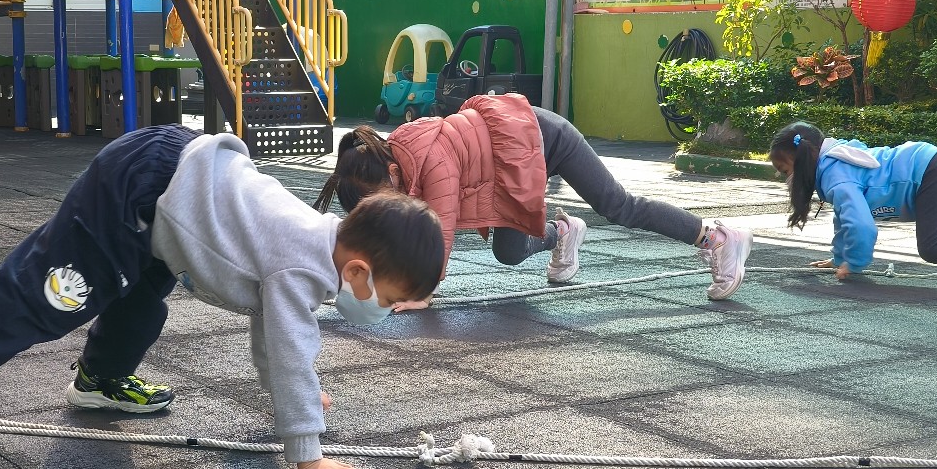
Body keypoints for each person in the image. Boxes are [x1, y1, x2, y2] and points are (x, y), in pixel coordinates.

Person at [0, 125, 444, 469]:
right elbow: (290, 353)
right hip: (142, 187)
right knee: (52, 295)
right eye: (391, 299)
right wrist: (307, 453)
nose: (390, 311)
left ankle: (101, 378)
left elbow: (274, 339)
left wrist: (294, 397)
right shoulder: (302, 269)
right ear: (357, 272)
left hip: (172, 187)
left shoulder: (319, 244)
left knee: (141, 292)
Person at [314, 93, 753, 307]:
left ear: (391, 173)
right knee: (508, 252)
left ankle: (714, 237)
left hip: (544, 138)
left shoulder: (432, 159)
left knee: (617, 205)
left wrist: (423, 291)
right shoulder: (399, 159)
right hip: (511, 168)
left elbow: (440, 229)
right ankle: (562, 231)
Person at [768, 121, 937, 278]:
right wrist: (839, 258)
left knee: (932, 248)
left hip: (929, 170)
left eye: (785, 171)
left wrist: (854, 262)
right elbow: (844, 219)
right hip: (928, 165)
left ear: (803, 160)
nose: (787, 179)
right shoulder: (834, 165)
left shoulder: (836, 176)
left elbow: (861, 225)